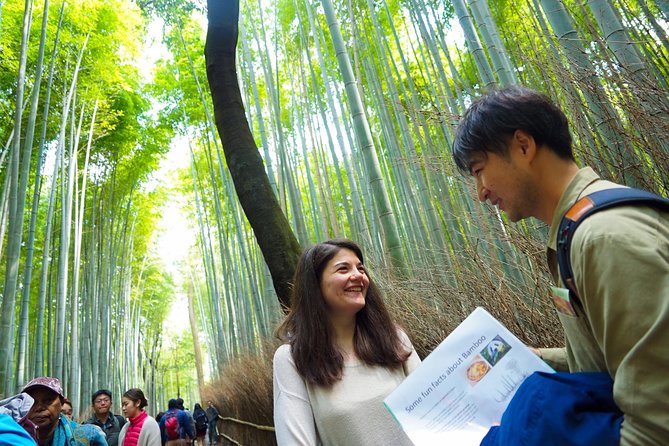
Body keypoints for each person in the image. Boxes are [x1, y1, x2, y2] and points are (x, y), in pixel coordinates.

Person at [451, 85, 669, 444]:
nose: (480, 192)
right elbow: (618, 359)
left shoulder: (604, 239)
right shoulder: (575, 233)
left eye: (479, 170)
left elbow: (657, 426)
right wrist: (538, 358)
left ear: (523, 145)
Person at [273, 238, 421, 445]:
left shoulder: (395, 340)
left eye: (360, 268)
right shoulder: (292, 359)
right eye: (343, 269)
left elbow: (434, 413)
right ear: (315, 285)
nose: (358, 276)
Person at [21, 376, 108, 446]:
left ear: (61, 403)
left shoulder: (90, 435)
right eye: (31, 402)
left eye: (47, 400)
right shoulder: (14, 437)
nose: (39, 407)